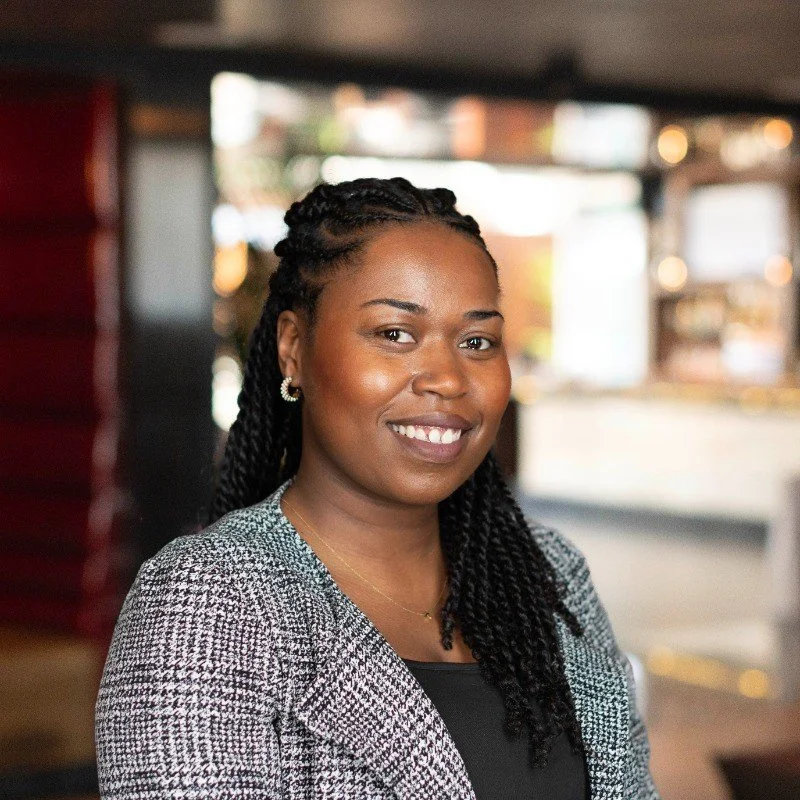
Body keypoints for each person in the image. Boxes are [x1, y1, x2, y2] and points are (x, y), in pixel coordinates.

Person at [95, 177, 659, 799]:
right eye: (395, 334)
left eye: (478, 341)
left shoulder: (551, 576)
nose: (447, 378)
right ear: (292, 349)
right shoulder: (209, 603)